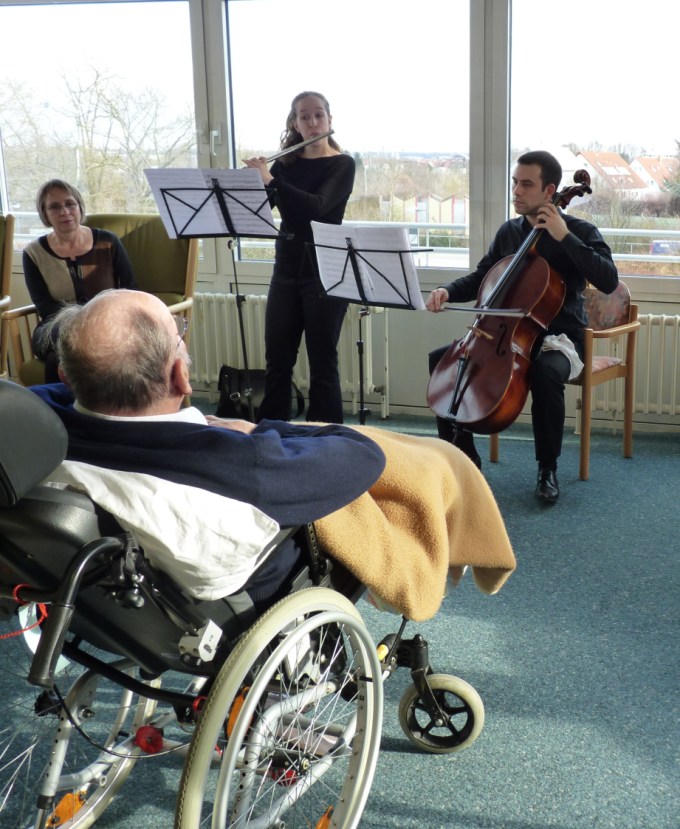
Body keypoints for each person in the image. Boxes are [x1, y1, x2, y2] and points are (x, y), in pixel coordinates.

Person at [31, 289, 386, 609]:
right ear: (180, 377)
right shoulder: (235, 457)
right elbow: (363, 453)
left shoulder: (34, 422)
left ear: (65, 377)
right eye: (178, 334)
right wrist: (258, 428)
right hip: (258, 595)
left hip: (96, 601)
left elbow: (50, 393)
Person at [426, 151, 619, 502]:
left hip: (560, 339)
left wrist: (564, 236)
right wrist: (447, 290)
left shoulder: (579, 230)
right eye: (515, 182)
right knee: (442, 360)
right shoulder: (510, 232)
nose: (516, 190)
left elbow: (607, 280)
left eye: (525, 184)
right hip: (505, 336)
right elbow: (483, 277)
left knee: (546, 371)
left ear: (549, 191)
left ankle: (548, 469)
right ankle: (465, 459)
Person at [243, 91, 355, 424]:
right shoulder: (286, 163)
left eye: (318, 115)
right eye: (304, 117)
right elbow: (264, 211)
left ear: (329, 120)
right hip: (287, 268)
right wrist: (246, 185)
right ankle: (270, 434)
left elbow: (317, 208)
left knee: (323, 362)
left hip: (326, 270)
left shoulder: (342, 163)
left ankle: (326, 439)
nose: (312, 122)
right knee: (277, 360)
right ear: (294, 123)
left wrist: (272, 180)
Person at [23, 179, 136, 383]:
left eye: (70, 204)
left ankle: (65, 411)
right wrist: (79, 326)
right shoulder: (33, 253)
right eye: (54, 207)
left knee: (57, 357)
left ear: (79, 206)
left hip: (106, 322)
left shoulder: (108, 242)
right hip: (55, 328)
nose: (64, 212)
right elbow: (45, 307)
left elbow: (130, 291)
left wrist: (100, 321)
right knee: (63, 345)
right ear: (45, 214)